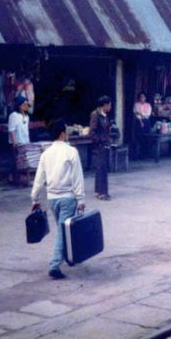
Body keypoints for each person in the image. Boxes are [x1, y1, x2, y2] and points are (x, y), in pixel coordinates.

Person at [31, 119, 85, 280]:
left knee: (64, 230)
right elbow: (77, 178)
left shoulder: (46, 154)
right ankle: (55, 265)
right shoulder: (71, 151)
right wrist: (81, 199)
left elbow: (39, 179)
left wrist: (35, 198)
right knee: (63, 232)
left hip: (52, 200)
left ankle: (69, 257)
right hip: (68, 198)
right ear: (63, 134)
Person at [90, 96, 112, 200]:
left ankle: (101, 191)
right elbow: (92, 132)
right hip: (100, 145)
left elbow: (106, 130)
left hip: (105, 144)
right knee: (101, 168)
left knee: (103, 168)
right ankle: (101, 192)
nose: (110, 107)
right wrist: (99, 141)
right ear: (105, 105)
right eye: (109, 105)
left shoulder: (105, 116)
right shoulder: (95, 115)